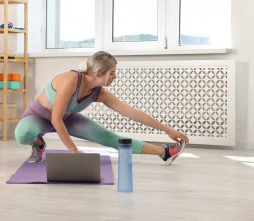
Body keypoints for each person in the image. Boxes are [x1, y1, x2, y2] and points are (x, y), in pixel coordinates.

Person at [14, 51, 189, 164]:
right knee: (22, 133)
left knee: (109, 137)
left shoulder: (100, 93)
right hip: (39, 117)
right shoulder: (70, 80)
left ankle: (164, 152)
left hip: (67, 119)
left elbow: (134, 114)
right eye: (112, 73)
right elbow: (55, 119)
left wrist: (168, 130)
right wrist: (74, 151)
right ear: (99, 73)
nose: (115, 77)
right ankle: (37, 144)